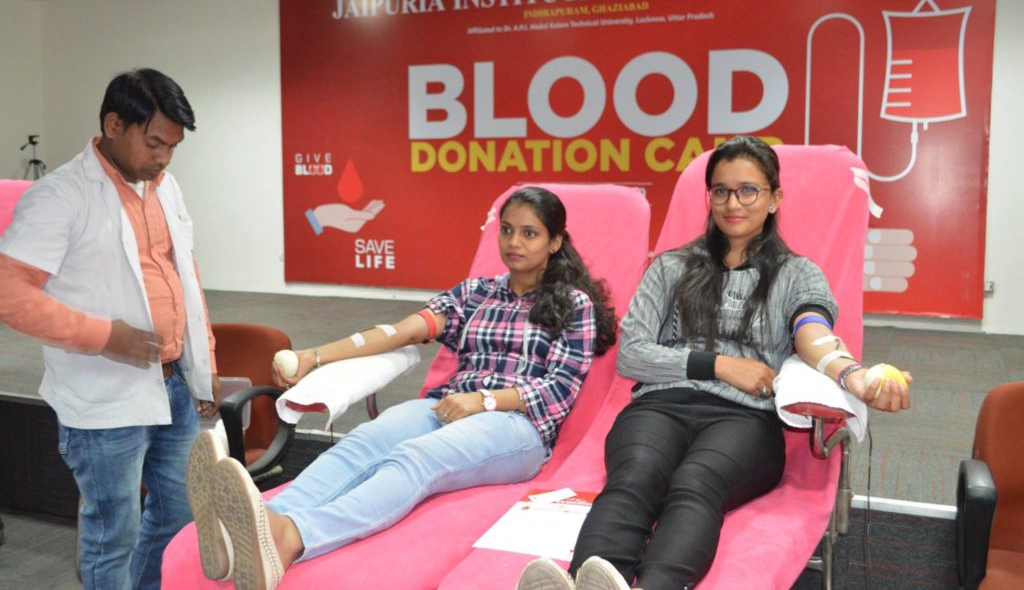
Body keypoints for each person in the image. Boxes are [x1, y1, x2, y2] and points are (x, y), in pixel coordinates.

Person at [517, 137, 913, 590]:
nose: (733, 203)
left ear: (774, 198)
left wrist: (853, 376)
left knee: (695, 482)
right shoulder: (670, 267)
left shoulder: (796, 274)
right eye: (721, 191)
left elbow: (813, 334)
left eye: (748, 191)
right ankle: (582, 583)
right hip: (659, 406)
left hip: (745, 418)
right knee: (635, 478)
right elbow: (632, 353)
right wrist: (719, 365)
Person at [186, 186, 618, 590]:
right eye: (506, 230)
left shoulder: (573, 304)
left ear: (555, 242)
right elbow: (400, 332)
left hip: (516, 425)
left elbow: (559, 390)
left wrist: (483, 401)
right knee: (365, 441)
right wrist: (313, 356)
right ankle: (255, 524)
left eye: (529, 233)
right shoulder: (476, 293)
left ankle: (292, 537)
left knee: (415, 457)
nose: (514, 242)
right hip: (449, 405)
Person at [0, 69, 220, 590]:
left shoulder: (165, 188)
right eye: (154, 143)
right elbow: (9, 292)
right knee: (113, 534)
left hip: (174, 384)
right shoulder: (60, 195)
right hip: (103, 397)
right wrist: (102, 336)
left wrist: (204, 363)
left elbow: (184, 278)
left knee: (178, 516)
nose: (164, 158)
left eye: (173, 147)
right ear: (114, 124)